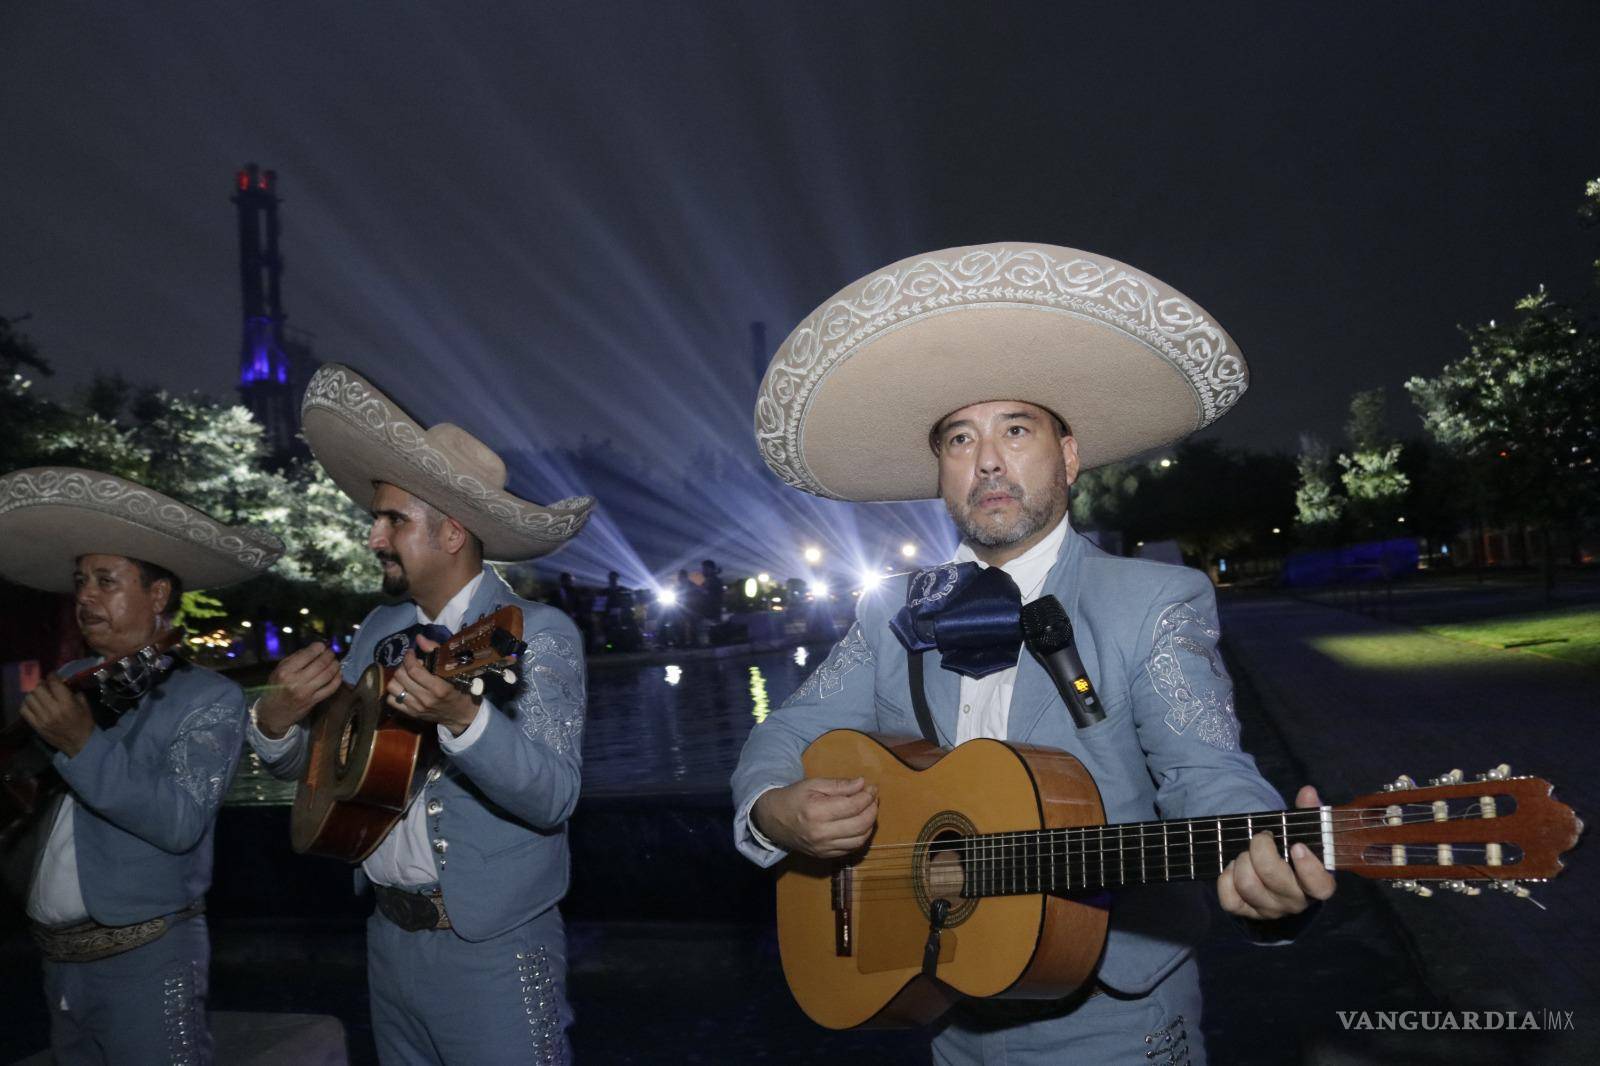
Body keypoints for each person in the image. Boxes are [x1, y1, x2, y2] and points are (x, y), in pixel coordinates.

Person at [734, 243, 1334, 1064]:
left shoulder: (1153, 601)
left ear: (1069, 453)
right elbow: (785, 735)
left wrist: (1260, 868)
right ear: (940, 475)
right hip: (944, 1009)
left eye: (1016, 429)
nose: (987, 460)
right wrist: (773, 809)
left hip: (1115, 1018)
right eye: (958, 439)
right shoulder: (888, 614)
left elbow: (1206, 769)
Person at [245, 363, 595, 1065]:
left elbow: (555, 796)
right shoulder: (378, 627)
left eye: (392, 520)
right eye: (377, 520)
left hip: (492, 950)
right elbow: (324, 766)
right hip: (386, 942)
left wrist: (466, 720)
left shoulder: (536, 631)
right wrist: (279, 719)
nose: (374, 538)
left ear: (452, 533)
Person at [0, 466, 282, 1065]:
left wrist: (81, 744)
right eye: (81, 581)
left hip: (147, 961)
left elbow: (180, 822)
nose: (84, 596)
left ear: (157, 596)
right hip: (55, 962)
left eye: (106, 580)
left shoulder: (207, 697)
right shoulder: (71, 684)